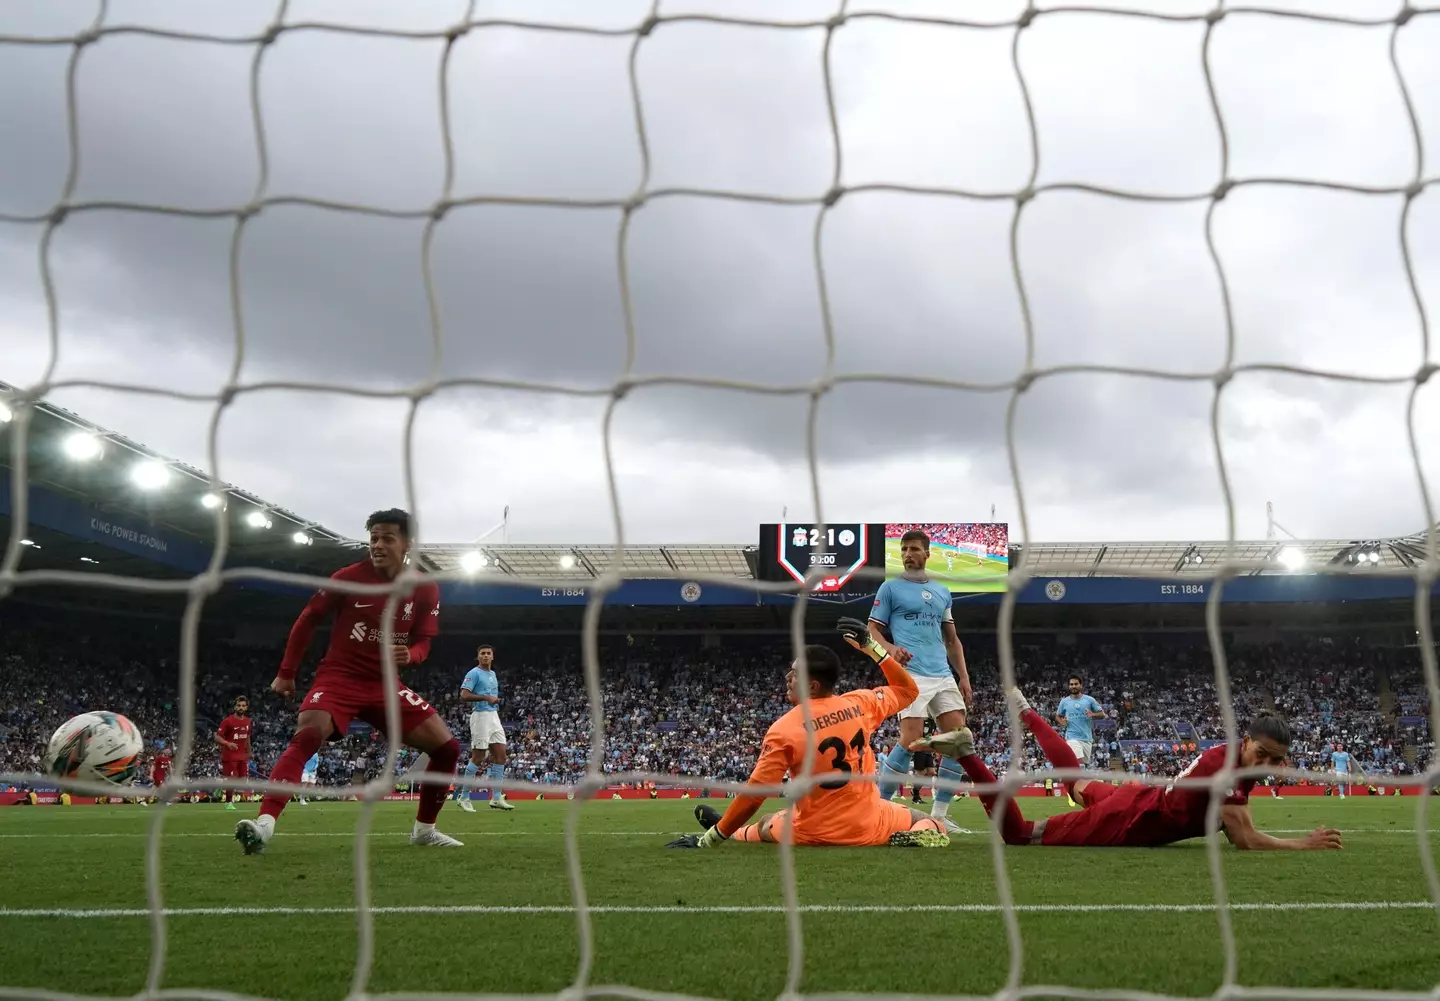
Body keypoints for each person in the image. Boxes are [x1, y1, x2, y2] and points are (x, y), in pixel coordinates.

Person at [235, 508, 462, 854]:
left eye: (387, 538)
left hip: (385, 684)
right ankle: (264, 825)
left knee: (447, 748)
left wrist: (411, 655)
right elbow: (308, 619)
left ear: (407, 544)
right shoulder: (347, 577)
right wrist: (286, 672)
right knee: (308, 735)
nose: (378, 544)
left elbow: (424, 642)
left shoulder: (424, 588)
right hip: (339, 676)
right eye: (373, 538)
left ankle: (424, 831)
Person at [917, 690, 1343, 850]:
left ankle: (1027, 712)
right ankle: (968, 754)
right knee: (1019, 835)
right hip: (1131, 820)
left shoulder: (1231, 754)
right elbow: (1245, 839)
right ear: (1247, 741)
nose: (1267, 766)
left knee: (1077, 779)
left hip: (1141, 797)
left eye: (1275, 760)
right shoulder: (1227, 772)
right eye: (1263, 755)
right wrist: (1303, 843)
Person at [666, 618, 949, 849]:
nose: (788, 678)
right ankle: (916, 836)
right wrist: (873, 648)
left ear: (812, 686)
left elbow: (755, 794)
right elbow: (908, 691)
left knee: (767, 823)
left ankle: (730, 831)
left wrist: (710, 840)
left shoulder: (784, 729)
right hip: (869, 824)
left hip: (812, 832)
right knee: (930, 822)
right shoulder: (860, 704)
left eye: (794, 674)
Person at [870, 529, 973, 820]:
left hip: (942, 674)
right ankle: (877, 810)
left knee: (959, 740)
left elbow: (952, 640)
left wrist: (963, 676)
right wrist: (890, 648)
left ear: (927, 553)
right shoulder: (890, 588)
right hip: (910, 674)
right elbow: (872, 629)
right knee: (910, 739)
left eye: (914, 549)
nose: (907, 555)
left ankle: (939, 817)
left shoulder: (942, 591)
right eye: (903, 549)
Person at [455, 644, 513, 812]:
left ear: (492, 657)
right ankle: (464, 797)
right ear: (478, 657)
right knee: (479, 756)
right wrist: (486, 697)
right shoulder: (474, 673)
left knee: (501, 756)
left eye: (489, 653)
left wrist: (491, 701)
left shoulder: (492, 674)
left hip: (494, 716)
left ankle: (496, 798)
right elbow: (464, 695)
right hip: (480, 716)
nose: (486, 656)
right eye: (483, 653)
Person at [1055, 676, 1105, 806]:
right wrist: (1062, 723)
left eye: (1075, 684)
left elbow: (1102, 714)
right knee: (1079, 763)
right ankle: (1074, 791)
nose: (1073, 686)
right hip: (1072, 737)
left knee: (1083, 763)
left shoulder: (1089, 700)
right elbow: (1058, 716)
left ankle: (1074, 791)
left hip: (1087, 739)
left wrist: (1093, 715)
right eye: (1071, 684)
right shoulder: (1064, 702)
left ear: (1081, 685)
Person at [216, 696, 253, 811]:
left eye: (243, 706)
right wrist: (227, 743)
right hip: (230, 756)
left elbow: (247, 737)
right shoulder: (227, 721)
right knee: (232, 779)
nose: (241, 708)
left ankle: (222, 786)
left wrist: (249, 751)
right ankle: (228, 802)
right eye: (238, 705)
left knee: (242, 780)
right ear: (235, 707)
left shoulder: (248, 721)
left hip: (242, 755)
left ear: (246, 707)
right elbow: (217, 736)